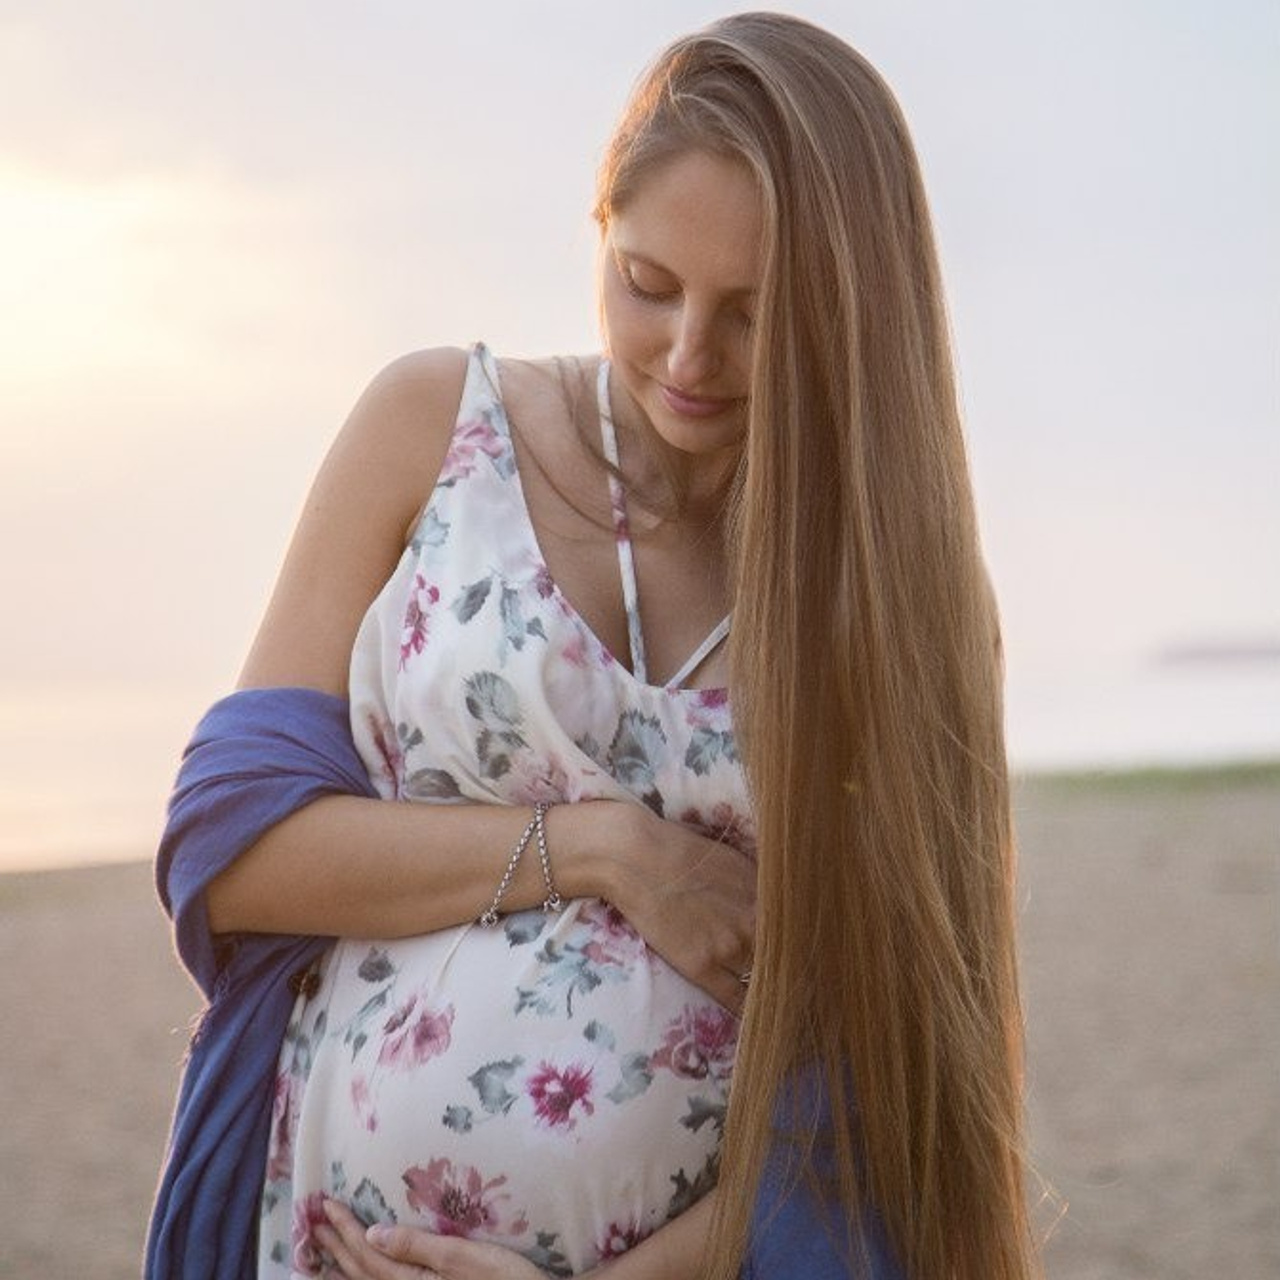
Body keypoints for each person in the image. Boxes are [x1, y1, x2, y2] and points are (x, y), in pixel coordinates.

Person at [147, 12, 1038, 1280]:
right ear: (596, 228)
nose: (688, 358)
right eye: (648, 283)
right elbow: (234, 853)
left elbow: (889, 1082)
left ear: (852, 308)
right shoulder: (430, 429)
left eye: (752, 313)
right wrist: (614, 852)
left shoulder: (894, 598)